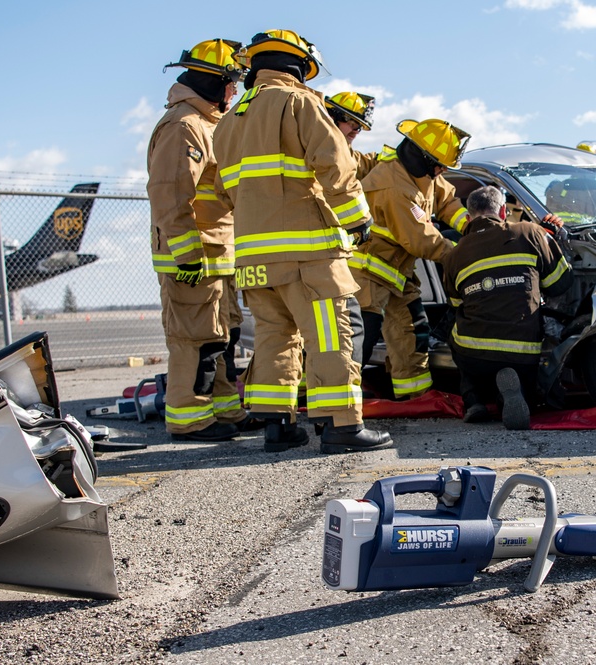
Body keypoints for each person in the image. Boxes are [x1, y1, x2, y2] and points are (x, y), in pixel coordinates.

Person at [213, 29, 391, 455]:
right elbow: (334, 165)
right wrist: (357, 219)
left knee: (276, 338)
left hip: (254, 259)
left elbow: (224, 193)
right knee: (330, 335)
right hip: (308, 254)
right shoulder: (301, 102)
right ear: (298, 66)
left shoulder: (228, 122)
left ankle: (278, 428)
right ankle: (342, 427)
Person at [148, 38, 263, 442]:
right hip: (194, 259)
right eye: (231, 83)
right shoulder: (184, 126)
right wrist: (188, 256)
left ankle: (225, 412)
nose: (235, 92)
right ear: (212, 81)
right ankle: (189, 419)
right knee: (194, 342)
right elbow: (170, 195)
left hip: (217, 256)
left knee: (221, 338)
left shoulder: (210, 125)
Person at [350, 118, 472, 399]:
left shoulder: (423, 172)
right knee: (360, 338)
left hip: (396, 272)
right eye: (439, 165)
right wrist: (462, 254)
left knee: (411, 329)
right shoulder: (394, 187)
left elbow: (446, 200)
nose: (441, 172)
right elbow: (421, 239)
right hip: (367, 271)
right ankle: (343, 403)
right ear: (423, 157)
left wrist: (472, 227)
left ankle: (414, 397)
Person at [442, 185, 573, 430]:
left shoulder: (453, 255)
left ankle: (474, 401)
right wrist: (551, 239)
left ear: (468, 218)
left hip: (474, 355)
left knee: (456, 326)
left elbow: (456, 303)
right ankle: (509, 395)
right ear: (503, 211)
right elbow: (560, 284)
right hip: (522, 351)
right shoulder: (529, 232)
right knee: (521, 380)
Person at [325, 91, 382, 179]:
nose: (356, 131)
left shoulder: (345, 152)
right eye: (352, 124)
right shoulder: (315, 144)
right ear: (332, 118)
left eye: (359, 128)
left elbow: (363, 164)